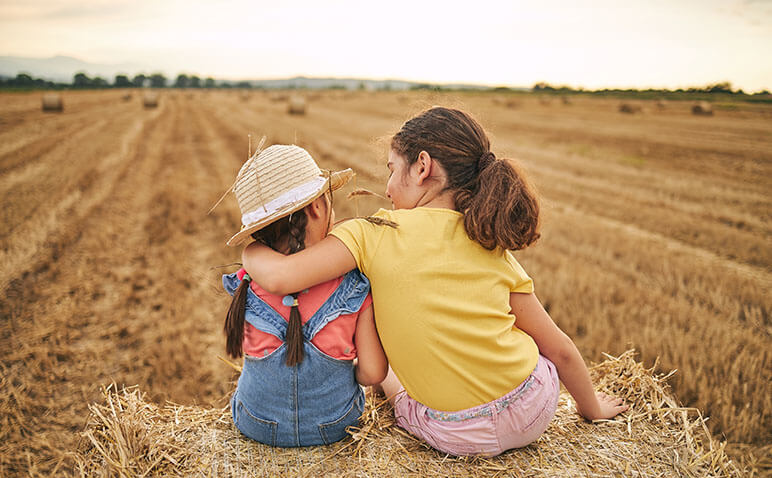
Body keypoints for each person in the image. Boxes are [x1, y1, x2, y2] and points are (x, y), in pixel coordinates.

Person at [241, 108, 628, 457]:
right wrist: (591, 408)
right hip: (532, 410)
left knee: (390, 379)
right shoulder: (489, 243)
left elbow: (278, 277)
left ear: (422, 166)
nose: (388, 188)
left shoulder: (372, 234)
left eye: (392, 169)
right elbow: (559, 350)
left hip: (454, 435)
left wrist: (249, 246)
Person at [221, 144, 388, 448]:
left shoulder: (248, 281)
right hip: (335, 425)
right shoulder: (354, 286)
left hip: (255, 424)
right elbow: (373, 372)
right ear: (317, 208)